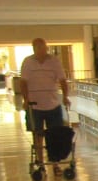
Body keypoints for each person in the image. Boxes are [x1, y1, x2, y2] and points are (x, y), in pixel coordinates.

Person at [19, 38, 69, 168]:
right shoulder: (28, 62)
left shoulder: (54, 61)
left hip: (53, 104)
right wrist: (25, 99)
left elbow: (63, 80)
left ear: (46, 48)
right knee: (37, 135)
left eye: (43, 47)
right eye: (38, 48)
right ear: (34, 49)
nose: (41, 50)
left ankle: (55, 163)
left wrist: (65, 97)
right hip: (34, 106)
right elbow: (23, 82)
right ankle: (41, 163)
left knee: (55, 135)